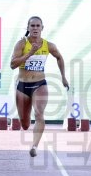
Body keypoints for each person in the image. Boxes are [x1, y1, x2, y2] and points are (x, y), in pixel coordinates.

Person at [9, 16, 69, 157]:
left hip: (39, 84)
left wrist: (63, 77)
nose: (35, 28)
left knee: (39, 113)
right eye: (32, 26)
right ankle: (27, 123)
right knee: (24, 123)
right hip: (23, 85)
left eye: (38, 26)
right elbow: (12, 65)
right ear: (28, 28)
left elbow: (59, 57)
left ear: (42, 28)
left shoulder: (48, 45)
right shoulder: (21, 44)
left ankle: (34, 146)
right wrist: (29, 53)